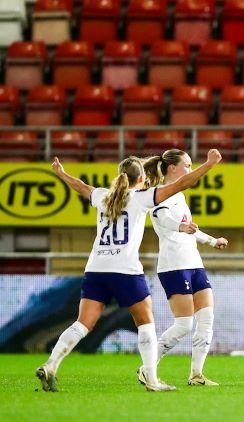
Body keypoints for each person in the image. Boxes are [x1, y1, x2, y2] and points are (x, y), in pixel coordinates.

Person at [35, 149, 223, 392]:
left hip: (96, 269)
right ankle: (152, 379)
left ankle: (51, 364)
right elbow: (183, 183)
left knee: (82, 323)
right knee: (145, 324)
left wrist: (61, 173)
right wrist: (209, 165)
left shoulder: (103, 196)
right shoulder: (142, 198)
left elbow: (81, 187)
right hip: (125, 270)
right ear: (142, 178)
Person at [140, 149, 229, 387]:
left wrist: (212, 240)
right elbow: (162, 218)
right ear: (173, 169)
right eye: (187, 166)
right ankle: (146, 368)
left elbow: (189, 226)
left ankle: (196, 374)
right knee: (184, 324)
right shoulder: (160, 195)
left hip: (194, 263)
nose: (190, 170)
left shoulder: (180, 196)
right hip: (174, 266)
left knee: (207, 318)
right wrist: (181, 228)